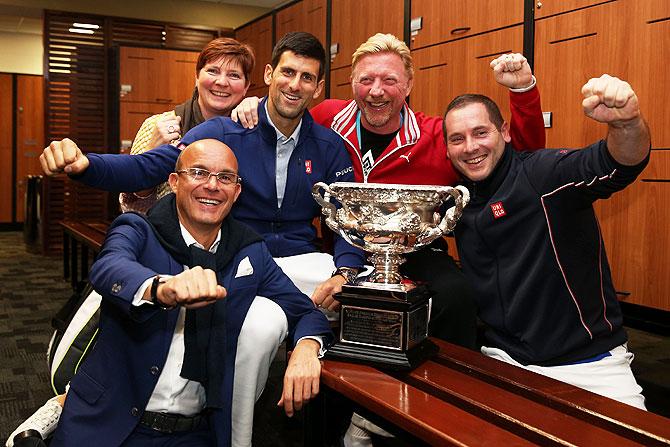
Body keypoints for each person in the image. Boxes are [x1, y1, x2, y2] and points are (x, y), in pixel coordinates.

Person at [37, 32, 364, 446]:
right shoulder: (223, 132)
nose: (294, 85)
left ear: (318, 89)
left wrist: (346, 274)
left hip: (295, 263)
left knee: (355, 305)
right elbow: (145, 168)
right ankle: (231, 433)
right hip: (235, 261)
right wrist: (85, 165)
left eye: (306, 78)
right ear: (270, 74)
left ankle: (355, 423)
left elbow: (346, 219)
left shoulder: (332, 147)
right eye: (287, 72)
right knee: (261, 326)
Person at [231, 33, 546, 447]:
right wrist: (247, 106)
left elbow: (520, 153)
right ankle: (338, 415)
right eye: (365, 80)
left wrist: (523, 92)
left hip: (414, 250)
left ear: (409, 84)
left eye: (389, 81)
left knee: (455, 296)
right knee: (331, 310)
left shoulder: (437, 134)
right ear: (350, 84)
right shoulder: (326, 117)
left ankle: (439, 414)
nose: (376, 91)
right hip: (342, 247)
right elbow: (284, 106)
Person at [6, 37, 257, 447]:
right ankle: (65, 406)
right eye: (213, 70)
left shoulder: (246, 130)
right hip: (151, 253)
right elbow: (128, 199)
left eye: (234, 75)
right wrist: (154, 149)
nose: (222, 82)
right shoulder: (162, 124)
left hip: (213, 255)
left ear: (248, 86)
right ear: (196, 76)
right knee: (102, 354)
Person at [50, 139, 332, 446]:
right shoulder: (138, 230)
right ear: (174, 182)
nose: (212, 186)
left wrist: (306, 348)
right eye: (198, 173)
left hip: (195, 432)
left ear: (236, 192)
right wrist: (161, 288)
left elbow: (303, 310)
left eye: (225, 178)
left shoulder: (248, 252)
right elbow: (109, 268)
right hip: (110, 422)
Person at [442, 74, 649, 410]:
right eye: (457, 139)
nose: (470, 147)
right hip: (504, 361)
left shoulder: (543, 173)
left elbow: (618, 163)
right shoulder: (457, 201)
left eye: (481, 133)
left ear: (505, 132)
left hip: (591, 366)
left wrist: (627, 123)